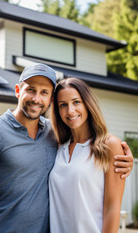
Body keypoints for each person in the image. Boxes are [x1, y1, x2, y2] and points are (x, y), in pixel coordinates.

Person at [0, 64, 133, 233]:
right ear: (18, 90)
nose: (36, 98)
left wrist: (125, 158)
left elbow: (110, 200)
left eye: (44, 92)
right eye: (31, 90)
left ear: (50, 100)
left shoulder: (53, 134)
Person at [49, 77, 125, 232]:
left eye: (76, 102)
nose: (70, 110)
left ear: (87, 103)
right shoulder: (56, 147)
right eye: (63, 105)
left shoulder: (109, 145)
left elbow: (112, 208)